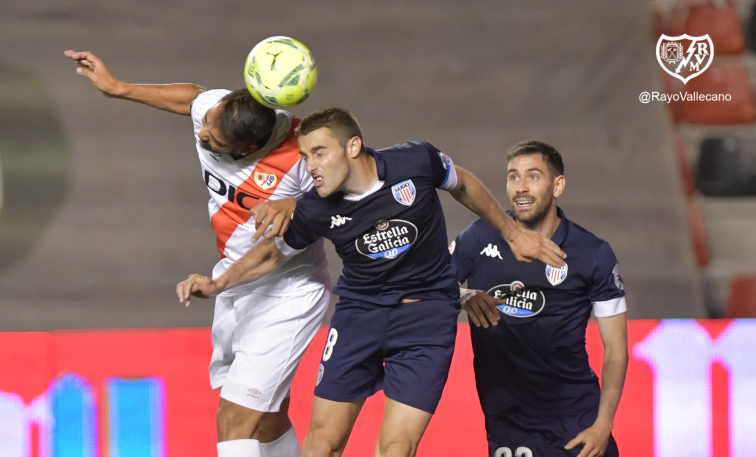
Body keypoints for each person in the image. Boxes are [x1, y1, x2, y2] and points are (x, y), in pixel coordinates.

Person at [177, 109, 567, 457]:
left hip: (426, 324)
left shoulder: (416, 161)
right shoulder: (314, 208)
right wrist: (218, 283)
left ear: (353, 146)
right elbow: (272, 253)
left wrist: (513, 234)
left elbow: (461, 183)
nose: (309, 166)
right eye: (303, 156)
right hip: (358, 320)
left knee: (397, 448)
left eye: (319, 152)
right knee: (323, 444)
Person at [64, 50, 330, 457]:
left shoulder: (303, 155)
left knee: (234, 419)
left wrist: (301, 205)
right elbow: (192, 98)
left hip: (288, 291)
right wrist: (119, 89)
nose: (203, 137)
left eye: (215, 141)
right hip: (234, 286)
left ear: (252, 146)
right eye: (206, 127)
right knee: (267, 420)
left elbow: (355, 190)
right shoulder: (215, 112)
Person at [451, 141, 628, 457]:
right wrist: (464, 295)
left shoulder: (592, 253)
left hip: (577, 423)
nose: (520, 187)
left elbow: (616, 348)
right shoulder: (480, 236)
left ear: (558, 185)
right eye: (513, 177)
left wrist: (603, 425)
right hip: (507, 422)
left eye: (533, 176)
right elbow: (428, 286)